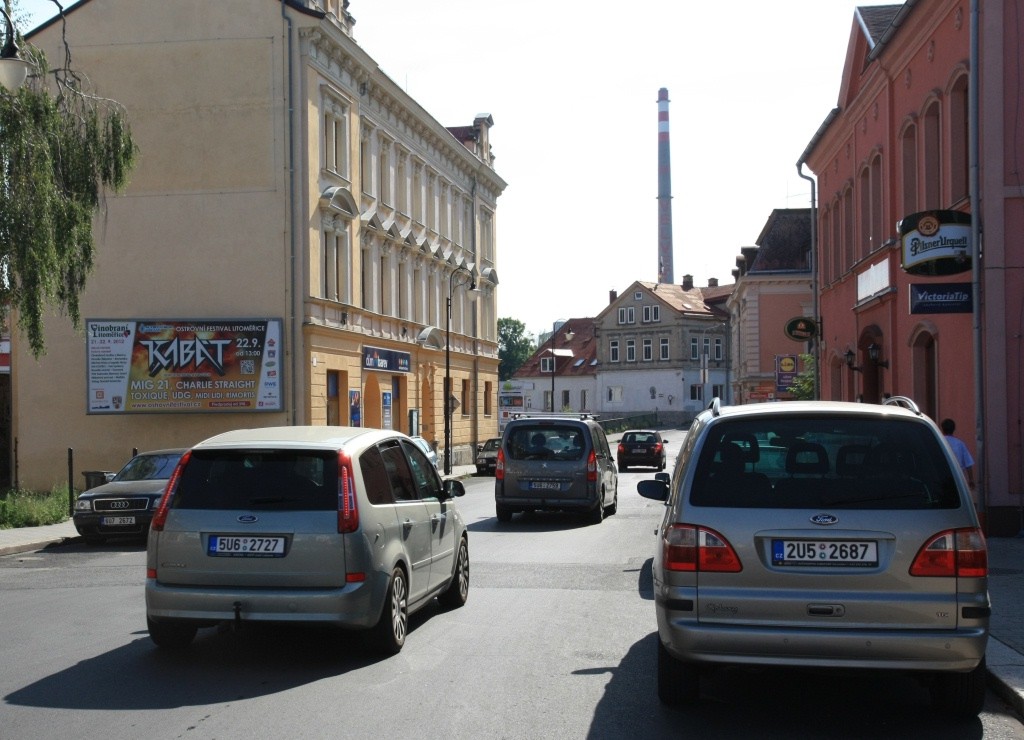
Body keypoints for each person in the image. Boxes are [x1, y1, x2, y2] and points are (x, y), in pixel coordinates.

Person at [941, 418, 975, 487]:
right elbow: (968, 464)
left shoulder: (939, 442)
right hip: (958, 479)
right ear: (954, 429)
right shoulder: (960, 444)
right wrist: (971, 480)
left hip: (942, 479)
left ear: (942, 429)